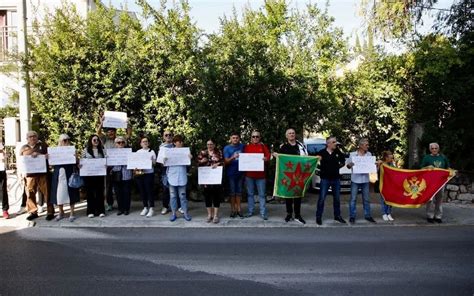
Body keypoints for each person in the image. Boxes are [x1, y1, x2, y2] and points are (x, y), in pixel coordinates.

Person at [97, 115, 132, 212]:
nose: (110, 133)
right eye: (108, 132)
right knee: (108, 186)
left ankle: (123, 206)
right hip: (108, 166)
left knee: (120, 187)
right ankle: (109, 204)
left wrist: (127, 123)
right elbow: (98, 132)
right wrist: (101, 123)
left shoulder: (120, 140)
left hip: (119, 166)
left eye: (112, 131)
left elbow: (129, 134)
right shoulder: (105, 140)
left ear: (115, 132)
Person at [275, 128, 308, 224]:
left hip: (299, 174)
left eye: (293, 133)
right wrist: (275, 155)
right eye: (289, 133)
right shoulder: (283, 146)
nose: (291, 134)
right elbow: (279, 158)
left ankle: (297, 215)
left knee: (298, 195)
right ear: (286, 136)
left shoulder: (301, 146)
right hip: (288, 175)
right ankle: (289, 214)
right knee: (288, 195)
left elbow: (306, 157)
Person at [20, 131, 54, 221]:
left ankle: (50, 212)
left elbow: (50, 156)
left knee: (47, 192)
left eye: (34, 136)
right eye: (30, 137)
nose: (32, 138)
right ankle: (33, 212)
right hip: (29, 175)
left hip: (43, 174)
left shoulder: (43, 146)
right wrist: (20, 173)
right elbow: (20, 161)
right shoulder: (23, 148)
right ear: (27, 138)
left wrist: (41, 155)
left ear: (37, 137)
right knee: (30, 193)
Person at [315, 136, 347, 225]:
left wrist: (337, 167)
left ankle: (337, 216)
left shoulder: (338, 152)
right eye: (333, 142)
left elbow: (343, 161)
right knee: (321, 198)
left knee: (337, 199)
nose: (335, 144)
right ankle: (318, 217)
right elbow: (315, 163)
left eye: (335, 142)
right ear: (328, 144)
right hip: (325, 179)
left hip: (336, 179)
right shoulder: (321, 153)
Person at [50, 134, 80, 222]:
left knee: (71, 193)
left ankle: (72, 213)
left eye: (67, 140)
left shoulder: (72, 150)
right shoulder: (55, 150)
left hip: (69, 174)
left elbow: (77, 162)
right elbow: (51, 163)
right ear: (60, 141)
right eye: (64, 140)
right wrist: (49, 158)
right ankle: (61, 212)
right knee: (58, 194)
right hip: (58, 175)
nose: (66, 142)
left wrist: (76, 157)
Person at [346, 138, 376, 224]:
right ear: (361, 146)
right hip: (355, 179)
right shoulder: (352, 155)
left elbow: (371, 167)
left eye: (367, 145)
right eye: (366, 145)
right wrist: (350, 165)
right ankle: (352, 216)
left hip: (365, 180)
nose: (368, 146)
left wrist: (375, 165)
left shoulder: (369, 154)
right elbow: (348, 166)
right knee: (353, 199)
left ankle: (368, 215)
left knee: (366, 199)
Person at [243, 130, 270, 220]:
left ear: (259, 138)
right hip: (249, 175)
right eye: (253, 136)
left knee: (262, 195)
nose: (255, 138)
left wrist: (266, 159)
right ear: (251, 138)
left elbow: (268, 157)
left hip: (261, 176)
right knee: (250, 194)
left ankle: (263, 213)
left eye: (257, 136)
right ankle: (250, 211)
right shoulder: (247, 147)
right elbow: (243, 159)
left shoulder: (263, 146)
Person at [420, 142, 450, 223]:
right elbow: (421, 168)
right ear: (430, 149)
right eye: (432, 148)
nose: (434, 150)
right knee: (430, 199)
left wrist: (452, 171)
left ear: (438, 149)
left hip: (441, 182)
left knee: (439, 199)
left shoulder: (443, 157)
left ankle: (438, 216)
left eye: (435, 148)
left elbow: (448, 168)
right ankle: (430, 216)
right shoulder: (426, 158)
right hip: (430, 182)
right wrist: (427, 167)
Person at [197, 139, 224, 223]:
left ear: (214, 145)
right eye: (208, 144)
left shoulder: (218, 152)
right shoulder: (202, 152)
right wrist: (201, 161)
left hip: (216, 177)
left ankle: (215, 215)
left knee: (216, 196)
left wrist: (217, 164)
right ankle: (209, 215)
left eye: (211, 144)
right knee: (207, 196)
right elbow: (197, 162)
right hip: (206, 178)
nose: (209, 146)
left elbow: (223, 162)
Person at [166, 135, 192, 222]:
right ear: (174, 142)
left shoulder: (186, 152)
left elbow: (188, 164)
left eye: (181, 141)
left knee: (183, 196)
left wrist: (190, 158)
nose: (180, 143)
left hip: (182, 176)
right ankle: (173, 213)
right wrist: (165, 159)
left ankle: (185, 213)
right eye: (178, 141)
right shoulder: (169, 152)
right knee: (173, 196)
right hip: (172, 176)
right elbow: (164, 164)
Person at [81, 134, 106, 218]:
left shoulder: (102, 150)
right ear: (90, 141)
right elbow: (82, 161)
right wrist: (80, 165)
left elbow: (106, 160)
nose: (96, 141)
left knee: (100, 192)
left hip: (99, 174)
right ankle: (90, 211)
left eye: (97, 140)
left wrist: (106, 165)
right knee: (90, 193)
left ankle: (101, 211)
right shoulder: (85, 150)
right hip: (89, 175)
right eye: (94, 140)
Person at [157, 130, 182, 215]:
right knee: (166, 190)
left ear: (172, 136)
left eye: (170, 135)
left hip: (176, 170)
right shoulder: (161, 147)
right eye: (166, 135)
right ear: (163, 137)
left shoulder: (176, 146)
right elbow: (159, 162)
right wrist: (163, 162)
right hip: (165, 171)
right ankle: (165, 206)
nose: (168, 136)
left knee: (177, 188)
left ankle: (179, 207)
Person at [224, 132, 245, 218]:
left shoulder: (243, 146)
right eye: (233, 138)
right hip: (231, 173)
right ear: (230, 138)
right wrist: (233, 156)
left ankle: (239, 209)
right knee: (232, 193)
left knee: (239, 192)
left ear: (239, 138)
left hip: (240, 173)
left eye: (237, 137)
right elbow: (226, 162)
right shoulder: (227, 148)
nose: (235, 139)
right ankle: (233, 210)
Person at [110, 137, 133, 216]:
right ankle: (120, 209)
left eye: (122, 142)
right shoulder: (112, 153)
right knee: (118, 193)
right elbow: (109, 164)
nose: (121, 144)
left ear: (125, 143)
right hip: (116, 175)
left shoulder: (129, 152)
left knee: (127, 193)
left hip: (127, 174)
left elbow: (133, 162)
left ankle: (126, 209)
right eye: (119, 142)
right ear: (115, 144)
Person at [135, 136, 157, 218]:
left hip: (149, 173)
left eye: (146, 141)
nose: (145, 142)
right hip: (140, 174)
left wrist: (151, 160)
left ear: (148, 143)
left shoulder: (152, 151)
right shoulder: (138, 152)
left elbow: (154, 163)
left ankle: (151, 208)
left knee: (149, 191)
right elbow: (135, 163)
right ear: (140, 144)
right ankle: (145, 207)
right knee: (142, 191)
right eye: (143, 141)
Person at [376, 150, 395, 221]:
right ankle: (384, 213)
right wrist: (378, 165)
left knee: (390, 199)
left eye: (392, 158)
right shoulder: (381, 164)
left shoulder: (392, 164)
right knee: (383, 200)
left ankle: (389, 213)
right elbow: (377, 172)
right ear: (386, 158)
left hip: (391, 185)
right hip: (383, 185)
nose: (391, 159)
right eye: (390, 158)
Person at [1, 143, 10, 219]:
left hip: (0, 170)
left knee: (3, 190)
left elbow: (5, 154)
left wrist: (5, 155)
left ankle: (5, 210)